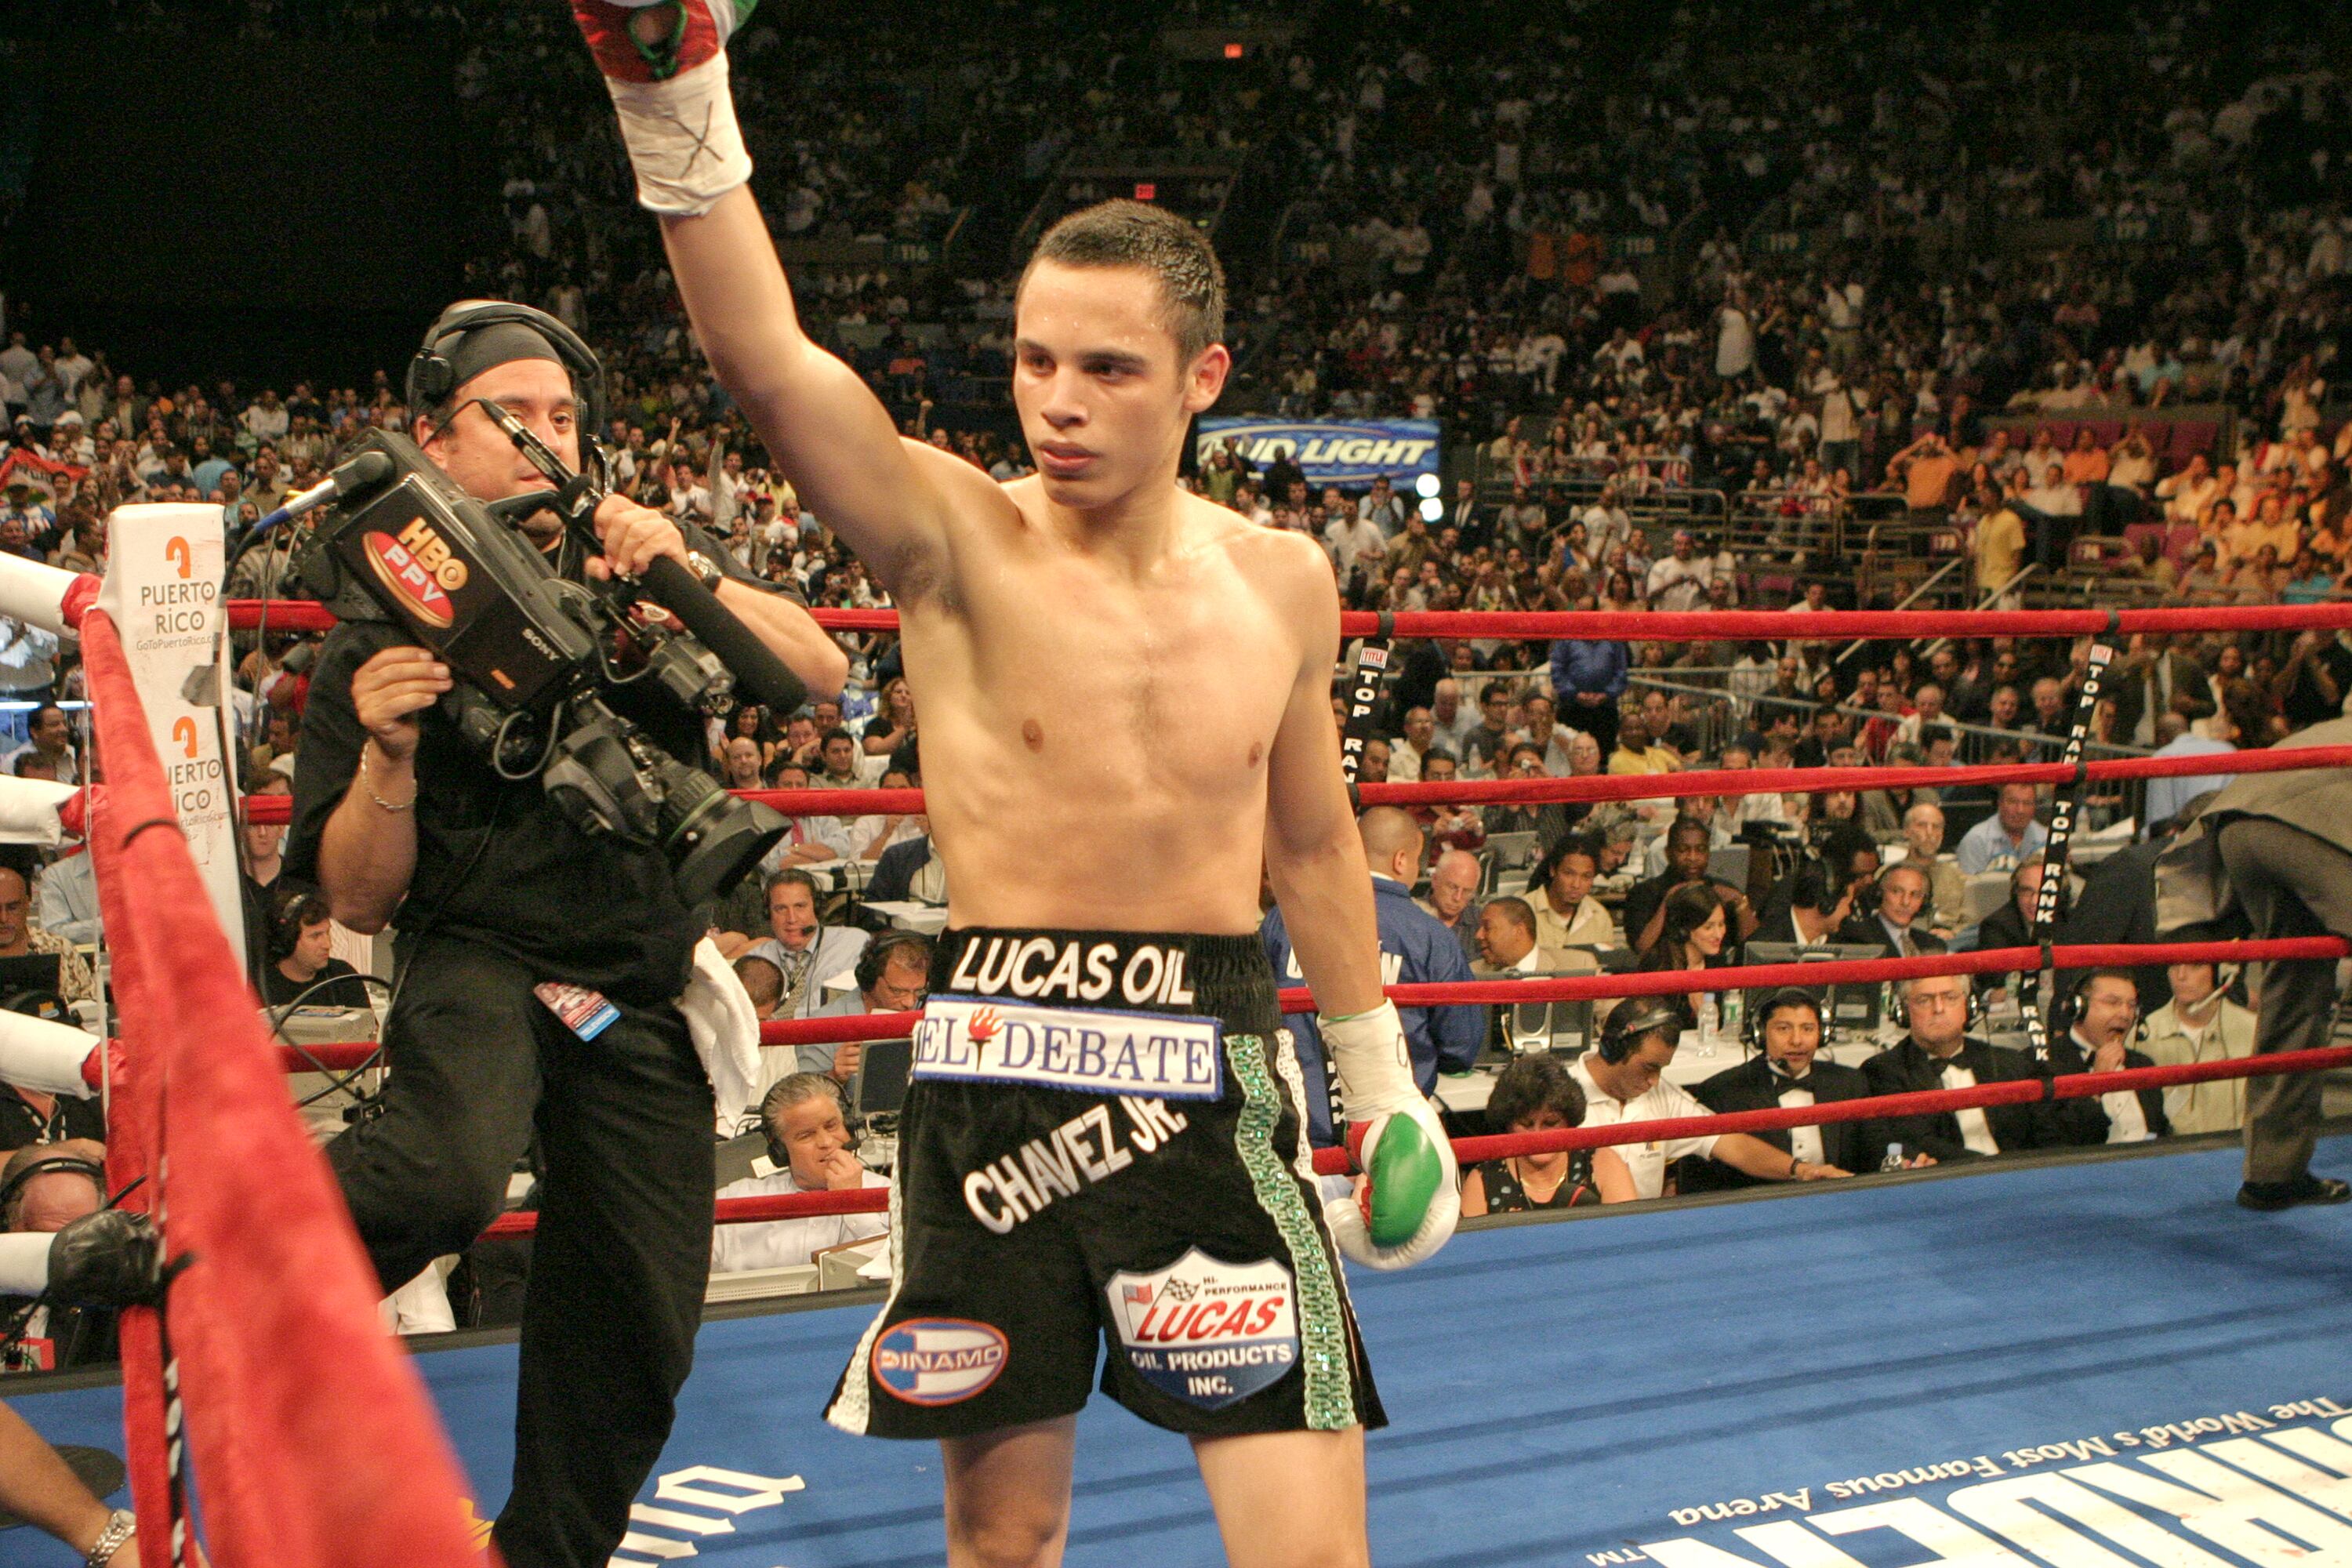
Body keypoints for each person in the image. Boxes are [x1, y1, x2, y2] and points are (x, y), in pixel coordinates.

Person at [575, 16, 1460, 1559]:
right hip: (996, 1076)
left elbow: (1315, 844)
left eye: (1108, 369)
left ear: (1204, 378)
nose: (1058, 399)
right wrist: (673, 91)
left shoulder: (1285, 582)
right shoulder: (952, 537)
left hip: (1211, 1078)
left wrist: (1380, 1084)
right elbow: (765, 363)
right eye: (1037, 360)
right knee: (1003, 1545)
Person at [283, 297, 848, 1568]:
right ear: (434, 435)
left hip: (638, 974)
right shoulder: (378, 623)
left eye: (565, 420)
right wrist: (386, 754)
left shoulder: (631, 561)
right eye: (513, 416)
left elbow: (818, 670)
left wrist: (683, 570)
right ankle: (240, 1289)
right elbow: (357, 900)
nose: (548, 442)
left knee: (644, 1321)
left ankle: (537, 1559)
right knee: (443, 1174)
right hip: (484, 952)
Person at [2156, 717, 2352, 1210]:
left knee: (2294, 988)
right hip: (2314, 827)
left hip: (2239, 826)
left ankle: (2272, 1172)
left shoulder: (2337, 724)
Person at [1264, 808, 1485, 1145]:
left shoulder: (1285, 916)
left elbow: (1251, 1012)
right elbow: (1461, 1046)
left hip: (1292, 1134)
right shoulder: (1431, 938)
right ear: (1400, 860)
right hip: (1389, 1141)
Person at [1566, 1000, 1852, 1199]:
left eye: (1661, 1069)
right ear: (1612, 1049)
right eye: (1648, 1067)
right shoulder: (1559, 1100)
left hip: (1644, 1235)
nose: (1654, 1081)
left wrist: (1801, 1170)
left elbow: (1731, 1144)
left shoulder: (1662, 1094)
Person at [1686, 989, 1891, 1190]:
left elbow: (1876, 1151)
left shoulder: (1850, 1083)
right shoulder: (1724, 1091)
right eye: (1783, 1029)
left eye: (1808, 1029)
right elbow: (1705, 1184)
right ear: (1760, 1033)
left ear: (1823, 1034)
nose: (1797, 1040)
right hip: (1760, 1210)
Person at [1861, 975, 2063, 1161]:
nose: (1939, 1008)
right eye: (1924, 1000)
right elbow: (1916, 1141)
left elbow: (2046, 1132)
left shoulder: (2009, 1062)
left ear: (1970, 1006)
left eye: (1950, 997)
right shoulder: (1884, 1071)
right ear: (1903, 1011)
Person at [710, 1074, 888, 1272]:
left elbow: (895, 1271)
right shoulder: (736, 1199)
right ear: (780, 1149)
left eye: (831, 1126)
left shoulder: (889, 1193)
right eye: (806, 1135)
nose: (826, 1142)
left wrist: (854, 1204)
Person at [1457, 1055, 1635, 1213]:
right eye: (1526, 1124)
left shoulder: (1602, 1163)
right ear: (1508, 1124)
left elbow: (1628, 1236)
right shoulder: (1484, 1180)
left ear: (1569, 1121)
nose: (1538, 1135)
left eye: (1550, 1123)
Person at [2045, 970, 2167, 1145]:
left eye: (2132, 1005)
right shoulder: (2045, 1063)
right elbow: (2056, 1142)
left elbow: (2160, 1133)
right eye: (2112, 1003)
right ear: (2078, 1008)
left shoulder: (2143, 1064)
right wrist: (2096, 1086)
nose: (2125, 1014)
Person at [2137, 962, 2256, 1135]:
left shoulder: (2253, 1030)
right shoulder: (2142, 1034)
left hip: (2236, 1152)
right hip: (2168, 1156)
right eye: (2174, 966)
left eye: (2195, 966)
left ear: (2218, 973)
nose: (2181, 976)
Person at [801, 930, 932, 1082]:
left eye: (918, 990)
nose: (910, 1002)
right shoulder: (820, 1027)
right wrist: (835, 1076)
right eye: (897, 991)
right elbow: (802, 1099)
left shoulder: (927, 1014)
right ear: (868, 980)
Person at [739, 869, 869, 1017]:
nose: (792, 919)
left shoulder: (854, 944)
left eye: (800, 906)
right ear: (768, 913)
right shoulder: (756, 961)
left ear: (816, 907)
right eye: (781, 909)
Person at [1621, 818, 1755, 958]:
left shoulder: (1724, 891)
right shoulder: (1644, 893)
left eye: (1700, 850)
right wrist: (1666, 903)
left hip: (1717, 972)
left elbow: (1754, 949)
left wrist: (1741, 904)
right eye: (1683, 850)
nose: (1693, 857)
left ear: (1708, 853)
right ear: (1668, 853)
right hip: (1665, 973)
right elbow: (1641, 948)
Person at [258, 887, 372, 1008]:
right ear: (286, 939)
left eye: (327, 933)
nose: (328, 945)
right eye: (315, 936)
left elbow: (369, 1026)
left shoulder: (344, 977)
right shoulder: (258, 986)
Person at [1524, 833, 1614, 950]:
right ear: (1553, 870)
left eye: (1586, 877)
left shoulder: (1599, 917)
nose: (1576, 885)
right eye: (1569, 874)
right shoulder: (1523, 912)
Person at [1470, 897, 1597, 978]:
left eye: (1487, 927)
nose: (1479, 935)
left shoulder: (1579, 967)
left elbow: (1609, 1014)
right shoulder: (1472, 973)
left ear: (1518, 931)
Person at [1838, 863, 1947, 956]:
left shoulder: (1933, 945)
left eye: (1915, 895)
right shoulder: (1855, 938)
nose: (1906, 902)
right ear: (1879, 893)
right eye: (1897, 892)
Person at [1956, 782, 2048, 874]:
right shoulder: (1976, 840)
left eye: (2027, 803)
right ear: (2000, 803)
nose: (2020, 810)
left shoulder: (2047, 838)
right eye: (2013, 802)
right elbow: (1968, 887)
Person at [1417, 848, 1483, 964]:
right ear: (1435, 880)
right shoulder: (1411, 915)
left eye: (1467, 891)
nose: (1457, 898)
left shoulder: (1481, 923)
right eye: (1452, 887)